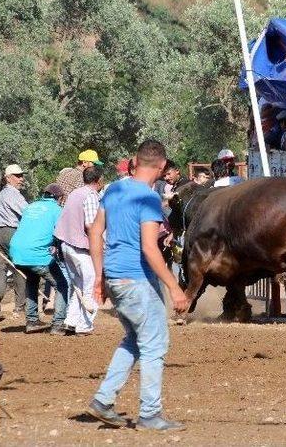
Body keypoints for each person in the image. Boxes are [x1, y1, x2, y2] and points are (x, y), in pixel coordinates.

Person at [86, 139, 189, 430]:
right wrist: (175, 287)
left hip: (116, 276)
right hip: (138, 279)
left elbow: (95, 232)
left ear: (135, 159)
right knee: (155, 344)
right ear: (161, 166)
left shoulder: (114, 189)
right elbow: (149, 248)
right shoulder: (148, 198)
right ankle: (150, 414)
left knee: (133, 340)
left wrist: (99, 276)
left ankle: (103, 401)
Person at [9, 184, 69, 334]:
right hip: (37, 254)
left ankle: (32, 321)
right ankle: (58, 324)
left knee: (32, 280)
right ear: (57, 197)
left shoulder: (31, 206)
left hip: (17, 252)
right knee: (61, 284)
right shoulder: (57, 210)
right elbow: (61, 235)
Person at [54, 166, 104, 335]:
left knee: (79, 286)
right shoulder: (91, 196)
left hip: (66, 245)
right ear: (98, 181)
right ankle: (85, 325)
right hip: (80, 248)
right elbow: (91, 225)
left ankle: (71, 321)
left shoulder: (75, 193)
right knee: (92, 285)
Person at [0, 164, 28, 321]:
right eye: (17, 176)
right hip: (11, 232)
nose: (21, 178)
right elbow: (26, 212)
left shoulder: (0, 195)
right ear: (8, 178)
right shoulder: (13, 194)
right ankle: (20, 305)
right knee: (19, 267)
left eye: (21, 175)